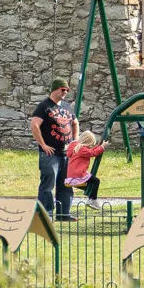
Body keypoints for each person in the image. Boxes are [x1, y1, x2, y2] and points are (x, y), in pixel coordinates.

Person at [29, 77, 79, 221]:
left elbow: (75, 123)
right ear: (55, 89)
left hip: (66, 153)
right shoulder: (44, 106)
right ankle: (46, 215)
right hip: (50, 154)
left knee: (66, 184)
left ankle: (64, 214)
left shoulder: (67, 106)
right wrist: (43, 145)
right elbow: (34, 125)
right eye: (63, 89)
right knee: (48, 184)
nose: (65, 92)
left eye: (67, 90)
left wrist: (74, 142)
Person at [64, 130, 106, 207]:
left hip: (71, 177)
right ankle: (92, 200)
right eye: (90, 145)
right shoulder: (81, 149)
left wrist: (98, 146)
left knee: (90, 186)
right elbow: (92, 153)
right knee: (96, 181)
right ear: (87, 142)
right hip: (79, 174)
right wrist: (102, 147)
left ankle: (91, 198)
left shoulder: (74, 145)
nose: (90, 146)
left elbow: (89, 151)